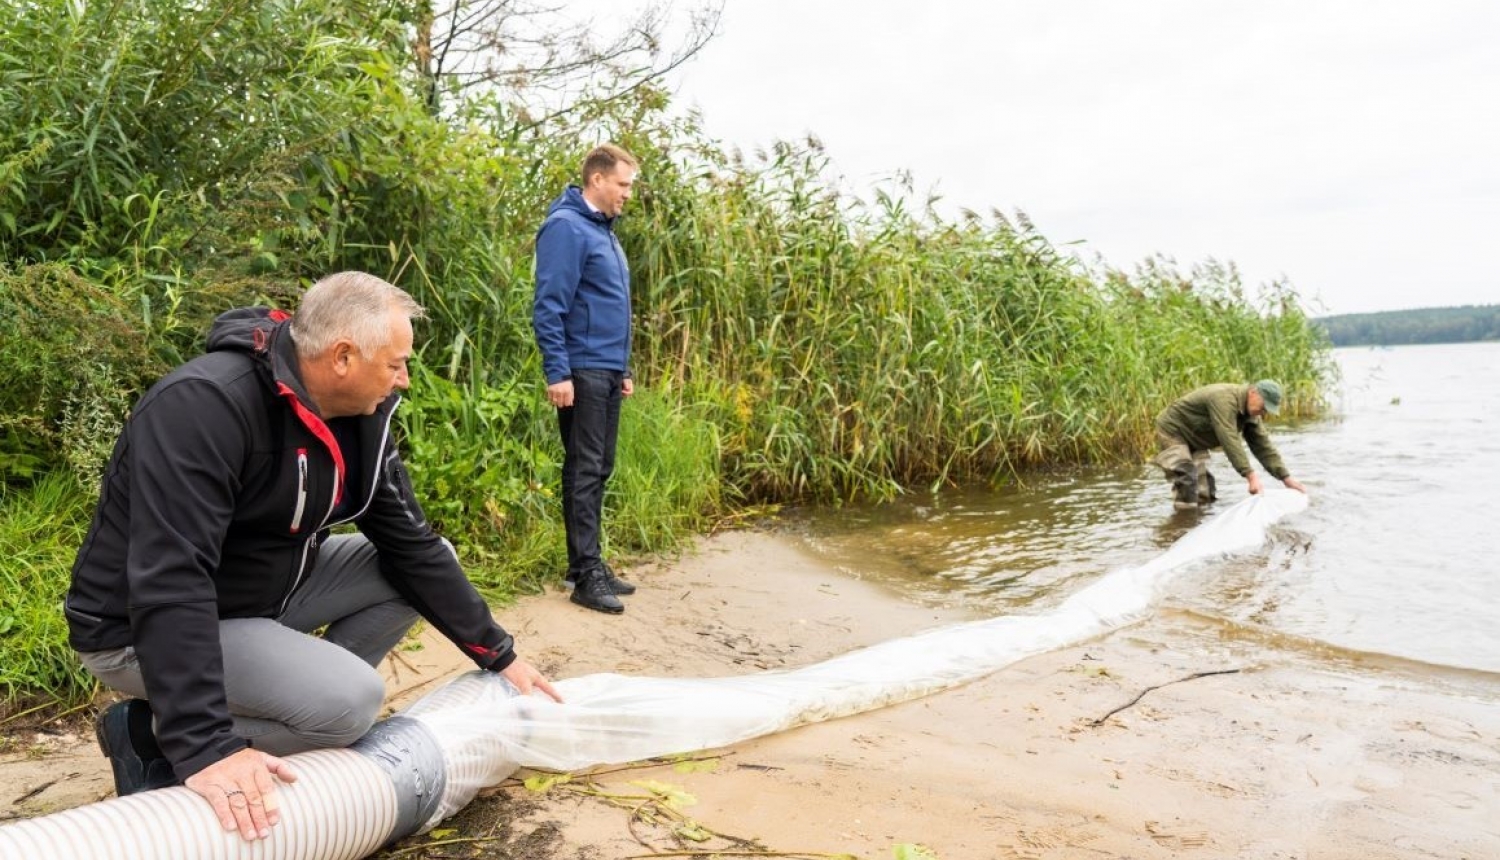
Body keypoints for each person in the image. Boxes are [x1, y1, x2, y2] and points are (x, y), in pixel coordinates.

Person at [65, 272, 561, 843]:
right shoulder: (204, 407)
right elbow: (172, 579)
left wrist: (500, 655)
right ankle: (152, 736)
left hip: (257, 596)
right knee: (351, 704)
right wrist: (205, 744)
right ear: (343, 356)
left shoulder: (359, 419)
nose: (404, 379)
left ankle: (290, 710)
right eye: (396, 363)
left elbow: (411, 544)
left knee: (416, 569)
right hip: (137, 625)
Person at [532, 143, 641, 614]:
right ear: (597, 180)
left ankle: (586, 564)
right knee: (583, 468)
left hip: (606, 369)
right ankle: (585, 575)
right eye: (623, 184)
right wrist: (558, 371)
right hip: (580, 370)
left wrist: (623, 368)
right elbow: (549, 306)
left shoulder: (605, 231)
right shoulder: (566, 228)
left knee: (599, 466)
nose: (628, 194)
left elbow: (608, 306)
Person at [1152, 379, 1308, 510]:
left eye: (1267, 410)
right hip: (1173, 430)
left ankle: (1200, 521)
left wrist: (1286, 479)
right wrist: (1251, 477)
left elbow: (1263, 446)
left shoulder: (1251, 414)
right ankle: (1181, 527)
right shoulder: (1223, 399)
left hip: (1195, 438)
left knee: (1206, 489)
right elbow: (1228, 437)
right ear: (1253, 392)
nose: (1263, 413)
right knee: (1186, 476)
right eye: (1263, 407)